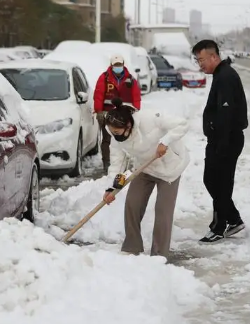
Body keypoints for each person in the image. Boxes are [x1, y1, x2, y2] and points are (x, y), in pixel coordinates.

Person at [102, 98, 190, 258]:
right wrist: (111, 188)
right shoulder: (116, 137)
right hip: (145, 167)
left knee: (163, 211)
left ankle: (159, 254)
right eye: (111, 132)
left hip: (170, 168)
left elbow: (182, 124)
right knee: (132, 204)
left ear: (128, 126)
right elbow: (117, 163)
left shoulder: (150, 119)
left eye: (116, 132)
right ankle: (132, 247)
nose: (114, 135)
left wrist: (166, 141)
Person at [192, 40, 248, 244]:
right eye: (198, 61)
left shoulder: (224, 77)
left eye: (201, 60)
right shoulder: (221, 74)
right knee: (214, 181)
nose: (200, 65)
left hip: (226, 139)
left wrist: (222, 143)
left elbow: (226, 112)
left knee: (219, 183)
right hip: (222, 138)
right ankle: (233, 219)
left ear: (214, 57)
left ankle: (219, 226)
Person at [93, 54, 142, 173]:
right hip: (108, 113)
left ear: (123, 65)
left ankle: (124, 163)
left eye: (120, 64)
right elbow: (98, 95)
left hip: (125, 113)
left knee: (125, 137)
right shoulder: (104, 78)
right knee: (107, 139)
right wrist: (99, 111)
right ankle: (107, 163)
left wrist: (136, 110)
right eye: (116, 65)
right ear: (111, 65)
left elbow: (136, 96)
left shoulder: (130, 79)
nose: (118, 67)